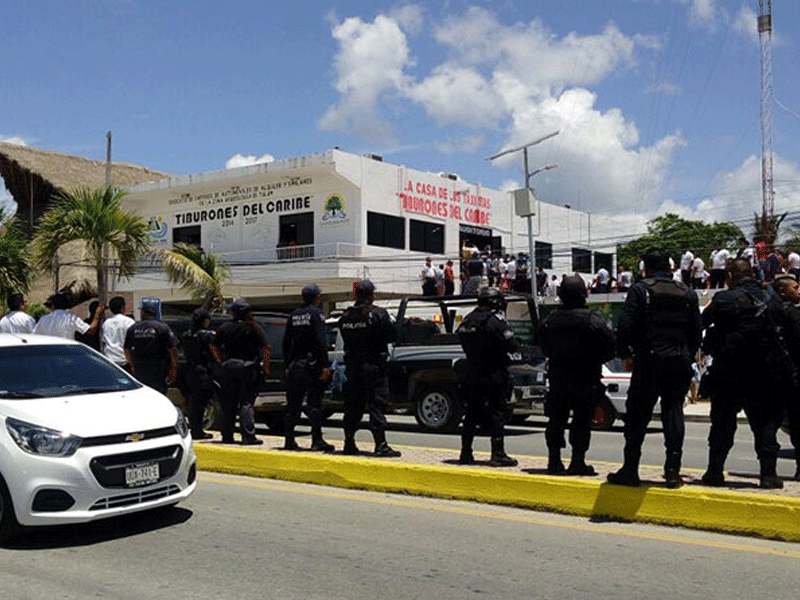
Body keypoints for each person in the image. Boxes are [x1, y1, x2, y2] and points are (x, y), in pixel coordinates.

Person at [607, 249, 702, 488]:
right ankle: (672, 472)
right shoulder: (687, 293)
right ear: (670, 268)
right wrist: (685, 354)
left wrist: (625, 355)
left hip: (649, 360)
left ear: (645, 269)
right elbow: (695, 332)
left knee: (637, 416)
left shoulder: (640, 289)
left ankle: (630, 470)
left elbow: (625, 325)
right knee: (673, 412)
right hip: (679, 359)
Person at [700, 260, 791, 489]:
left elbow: (700, 323)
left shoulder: (723, 299)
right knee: (765, 427)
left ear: (730, 275)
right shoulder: (772, 299)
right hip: (765, 374)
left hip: (729, 373)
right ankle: (768, 475)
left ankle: (714, 472)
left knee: (722, 425)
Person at [538, 276, 615, 475]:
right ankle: (577, 461)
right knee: (581, 420)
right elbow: (610, 348)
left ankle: (553, 461)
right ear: (584, 294)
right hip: (585, 378)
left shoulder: (550, 321)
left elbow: (543, 347)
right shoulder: (594, 321)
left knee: (556, 420)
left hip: (559, 378)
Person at [456, 287, 520, 467]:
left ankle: (465, 452)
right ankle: (497, 454)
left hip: (473, 372)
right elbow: (512, 346)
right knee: (497, 413)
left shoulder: (467, 320)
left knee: (471, 413)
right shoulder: (496, 321)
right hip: (494, 374)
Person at [339, 279, 400, 457]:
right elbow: (392, 335)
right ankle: (380, 444)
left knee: (352, 405)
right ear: (371, 295)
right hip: (374, 366)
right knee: (377, 403)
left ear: (356, 295)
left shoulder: (346, 316)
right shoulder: (378, 314)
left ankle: (348, 443)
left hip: (353, 367)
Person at [282, 283, 334, 452]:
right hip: (312, 366)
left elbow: (285, 342)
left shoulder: (294, 315)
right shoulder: (316, 314)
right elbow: (320, 341)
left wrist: (287, 364)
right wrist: (325, 365)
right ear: (316, 297)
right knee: (314, 404)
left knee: (293, 405)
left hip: (296, 365)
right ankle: (316, 440)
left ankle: (289, 440)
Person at [213, 299, 270, 445]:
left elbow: (213, 345)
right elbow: (266, 347)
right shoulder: (252, 327)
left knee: (228, 403)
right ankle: (248, 436)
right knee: (246, 403)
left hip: (229, 367)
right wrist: (265, 366)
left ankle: (227, 435)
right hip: (248, 368)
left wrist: (220, 361)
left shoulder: (225, 327)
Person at [771, 275, 800, 481]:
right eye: (795, 287)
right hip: (790, 378)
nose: (799, 290)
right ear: (783, 291)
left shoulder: (769, 311)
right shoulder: (789, 314)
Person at [182, 307, 222, 440]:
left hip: (190, 371)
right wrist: (220, 361)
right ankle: (198, 431)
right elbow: (214, 351)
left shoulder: (187, 334)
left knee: (193, 401)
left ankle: (195, 429)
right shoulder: (206, 335)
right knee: (201, 402)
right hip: (202, 371)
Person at [124, 298, 178, 396]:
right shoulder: (162, 328)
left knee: (143, 396)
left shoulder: (133, 328)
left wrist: (132, 366)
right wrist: (173, 369)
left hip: (140, 369)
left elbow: (127, 349)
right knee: (159, 396)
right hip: (159, 369)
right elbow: (173, 350)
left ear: (143, 312)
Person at [34, 291, 103, 340]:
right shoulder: (71, 318)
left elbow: (34, 335)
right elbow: (90, 330)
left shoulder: (43, 319)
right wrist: (97, 314)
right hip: (66, 353)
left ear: (53, 305)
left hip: (48, 354)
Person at [101, 296, 135, 368]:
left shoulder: (106, 323)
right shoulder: (129, 322)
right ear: (122, 307)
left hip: (109, 360)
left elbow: (104, 341)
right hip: (124, 361)